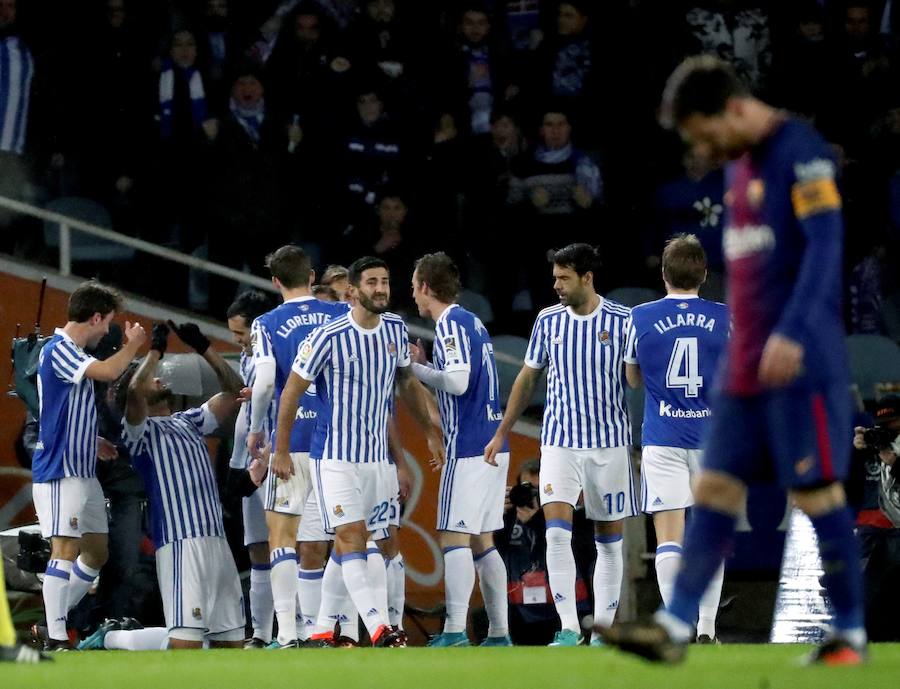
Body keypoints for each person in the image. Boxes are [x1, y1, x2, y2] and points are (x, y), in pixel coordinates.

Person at [598, 55, 866, 666]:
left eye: (703, 133)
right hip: (745, 369)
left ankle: (848, 631)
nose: (703, 149)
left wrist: (794, 333)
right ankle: (673, 628)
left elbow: (827, 247)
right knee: (715, 486)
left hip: (802, 362)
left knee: (817, 492)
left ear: (734, 109)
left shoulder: (804, 153)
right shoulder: (738, 167)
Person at [273, 256, 443, 648]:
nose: (381, 288)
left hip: (376, 462)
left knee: (367, 542)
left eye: (385, 281)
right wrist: (281, 449)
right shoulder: (327, 336)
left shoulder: (396, 330)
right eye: (372, 282)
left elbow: (406, 383)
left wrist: (430, 432)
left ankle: (320, 631)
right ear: (353, 290)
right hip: (335, 457)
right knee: (352, 537)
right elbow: (291, 392)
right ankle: (380, 625)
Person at [485, 243, 635, 646]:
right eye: (554, 277)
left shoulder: (623, 320)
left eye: (563, 277)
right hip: (559, 443)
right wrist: (502, 431)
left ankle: (603, 630)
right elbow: (527, 378)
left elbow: (637, 379)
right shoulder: (548, 321)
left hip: (610, 443)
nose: (556, 285)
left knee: (608, 539)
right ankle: (568, 626)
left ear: (587, 278)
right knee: (555, 534)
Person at [113, 321, 246, 649]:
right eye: (149, 377)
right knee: (185, 643)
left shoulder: (191, 421)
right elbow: (132, 391)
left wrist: (204, 348)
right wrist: (154, 351)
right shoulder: (139, 435)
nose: (158, 378)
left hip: (217, 541)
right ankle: (115, 639)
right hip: (180, 543)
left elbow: (236, 390)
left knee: (231, 646)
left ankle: (117, 638)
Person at [623, 234, 729, 642]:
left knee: (669, 535)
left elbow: (632, 378)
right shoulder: (725, 318)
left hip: (663, 437)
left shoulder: (640, 316)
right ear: (703, 273)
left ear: (663, 274)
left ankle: (679, 627)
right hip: (712, 440)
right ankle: (707, 628)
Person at [31, 281, 147, 650]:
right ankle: (54, 636)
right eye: (108, 324)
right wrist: (132, 345)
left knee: (96, 552)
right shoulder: (60, 349)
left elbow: (64, 406)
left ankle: (52, 619)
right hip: (60, 471)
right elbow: (110, 372)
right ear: (96, 317)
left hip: (83, 469)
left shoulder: (73, 353)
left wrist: (91, 440)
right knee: (64, 548)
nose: (107, 332)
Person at [408, 252, 511, 647]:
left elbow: (458, 382)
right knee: (484, 542)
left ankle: (453, 630)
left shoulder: (449, 322)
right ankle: (499, 633)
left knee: (453, 538)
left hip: (468, 447)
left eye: (414, 285)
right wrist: (429, 362)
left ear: (425, 287)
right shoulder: (471, 320)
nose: (413, 294)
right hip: (491, 444)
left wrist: (416, 369)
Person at [245, 245, 345, 649]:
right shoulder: (339, 314)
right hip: (337, 440)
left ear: (274, 281)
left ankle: (287, 633)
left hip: (291, 439)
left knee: (283, 536)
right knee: (345, 537)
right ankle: (332, 629)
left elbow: (266, 380)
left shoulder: (266, 323)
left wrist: (257, 429)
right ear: (312, 275)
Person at [224, 290, 277, 647]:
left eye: (241, 333)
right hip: (249, 463)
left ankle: (299, 630)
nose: (238, 341)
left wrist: (268, 454)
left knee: (289, 546)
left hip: (278, 461)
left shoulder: (279, 355)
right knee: (258, 548)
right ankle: (259, 633)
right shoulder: (249, 359)